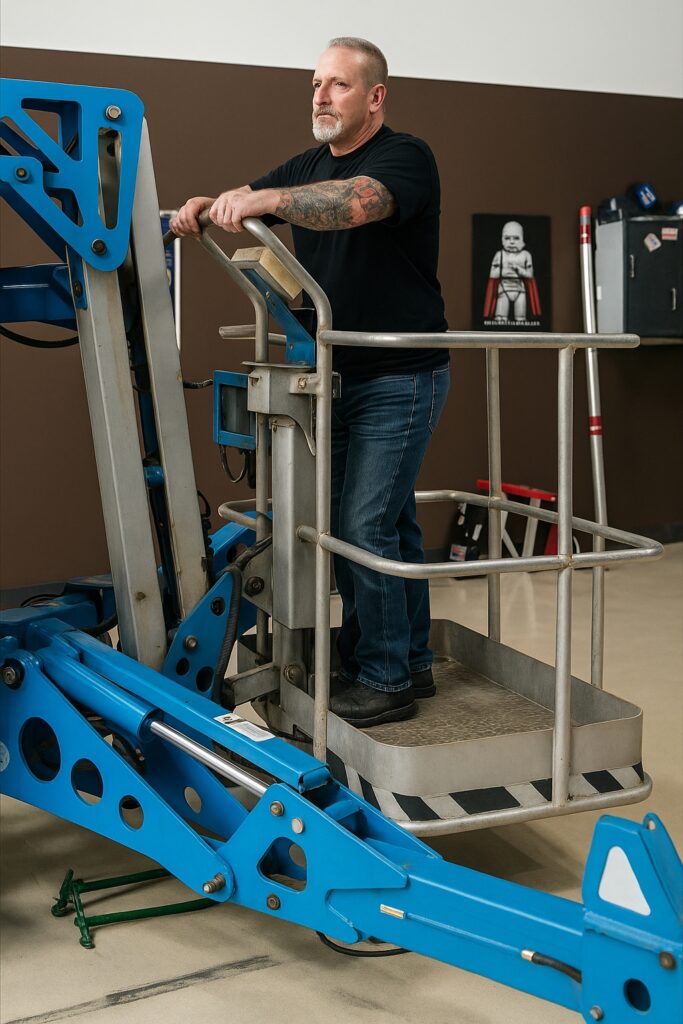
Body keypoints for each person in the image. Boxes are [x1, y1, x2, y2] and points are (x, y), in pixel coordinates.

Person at [172, 37, 450, 728]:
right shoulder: (306, 165)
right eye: (315, 84)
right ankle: (405, 657)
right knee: (386, 524)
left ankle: (385, 679)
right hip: (338, 377)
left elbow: (352, 204)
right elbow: (259, 198)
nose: (320, 96)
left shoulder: (403, 157)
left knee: (362, 523)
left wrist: (265, 198)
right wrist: (212, 203)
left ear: (374, 97)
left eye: (338, 85)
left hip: (399, 375)